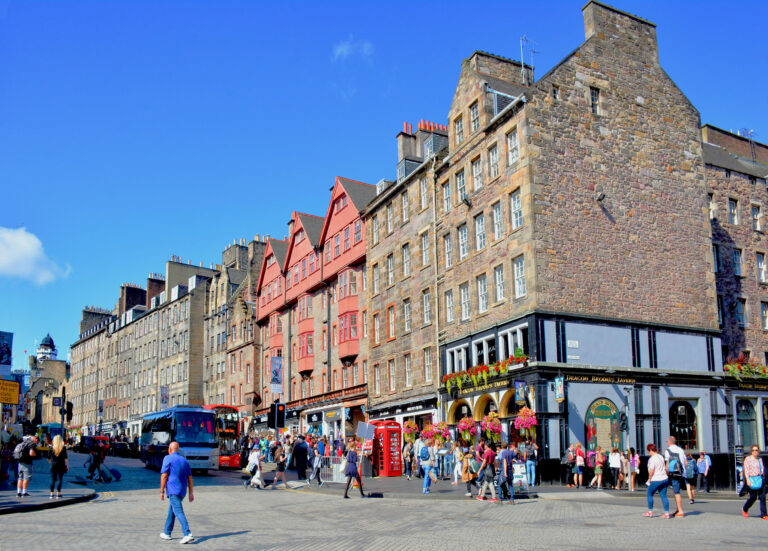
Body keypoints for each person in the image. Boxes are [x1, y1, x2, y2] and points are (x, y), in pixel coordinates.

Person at [159, 442, 195, 544]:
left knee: (178, 511)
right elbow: (190, 478)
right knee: (172, 510)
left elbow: (164, 476)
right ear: (178, 450)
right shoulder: (184, 460)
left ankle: (187, 533)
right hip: (182, 491)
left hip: (173, 490)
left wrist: (161, 491)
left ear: (170, 449)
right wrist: (191, 492)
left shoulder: (167, 458)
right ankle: (167, 532)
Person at [644, 443, 670, 518]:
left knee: (649, 493)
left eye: (649, 451)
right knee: (664, 495)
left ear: (651, 450)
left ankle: (650, 511)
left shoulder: (652, 459)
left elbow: (652, 470)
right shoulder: (661, 457)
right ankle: (666, 513)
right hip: (664, 478)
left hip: (656, 479)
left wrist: (649, 479)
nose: (649, 452)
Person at [741, 444, 767, 519]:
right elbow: (746, 470)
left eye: (756, 450)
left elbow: (762, 470)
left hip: (759, 479)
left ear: (758, 451)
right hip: (751, 479)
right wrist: (748, 480)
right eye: (753, 450)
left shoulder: (760, 460)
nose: (755, 451)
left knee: (762, 497)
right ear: (751, 451)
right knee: (753, 497)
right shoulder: (748, 459)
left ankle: (764, 514)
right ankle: (745, 509)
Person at [664, 436, 687, 517]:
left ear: (670, 442)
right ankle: (678, 509)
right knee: (677, 491)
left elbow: (667, 464)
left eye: (667, 442)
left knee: (676, 492)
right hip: (681, 472)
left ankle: (680, 511)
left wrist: (667, 473)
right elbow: (686, 462)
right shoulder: (681, 450)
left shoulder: (668, 450)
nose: (667, 443)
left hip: (674, 473)